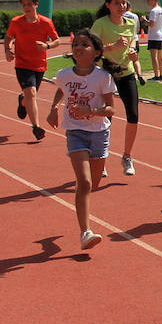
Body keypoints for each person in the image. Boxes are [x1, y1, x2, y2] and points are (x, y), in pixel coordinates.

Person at [45, 29, 117, 251]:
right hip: (75, 131)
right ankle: (85, 232)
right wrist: (53, 108)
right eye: (75, 44)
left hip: (99, 133)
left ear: (96, 51)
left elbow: (111, 109)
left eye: (84, 44)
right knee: (84, 182)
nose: (78, 47)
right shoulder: (65, 74)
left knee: (93, 184)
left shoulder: (103, 77)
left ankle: (62, 236)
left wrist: (92, 110)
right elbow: (61, 89)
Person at [90, 0, 142, 175]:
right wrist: (113, 46)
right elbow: (91, 49)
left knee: (133, 115)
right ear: (108, 5)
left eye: (124, 3)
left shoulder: (130, 23)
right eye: (117, 3)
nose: (122, 6)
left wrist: (134, 52)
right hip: (106, 73)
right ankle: (101, 157)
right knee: (106, 117)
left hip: (126, 72)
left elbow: (133, 43)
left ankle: (127, 156)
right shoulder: (100, 24)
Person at [5, 0, 60, 143]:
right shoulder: (16, 22)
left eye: (29, 4)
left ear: (36, 5)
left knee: (29, 96)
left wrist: (47, 46)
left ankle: (22, 101)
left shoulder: (45, 22)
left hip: (39, 65)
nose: (27, 7)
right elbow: (8, 37)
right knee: (32, 93)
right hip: (22, 64)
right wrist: (7, 49)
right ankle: (36, 127)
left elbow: (57, 40)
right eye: (24, 5)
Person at [139, 0, 162, 81]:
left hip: (154, 35)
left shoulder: (153, 11)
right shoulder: (161, 10)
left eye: (148, 0)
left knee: (154, 56)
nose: (147, 2)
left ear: (153, 0)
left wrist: (144, 20)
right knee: (159, 56)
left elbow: (151, 24)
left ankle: (156, 75)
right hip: (159, 34)